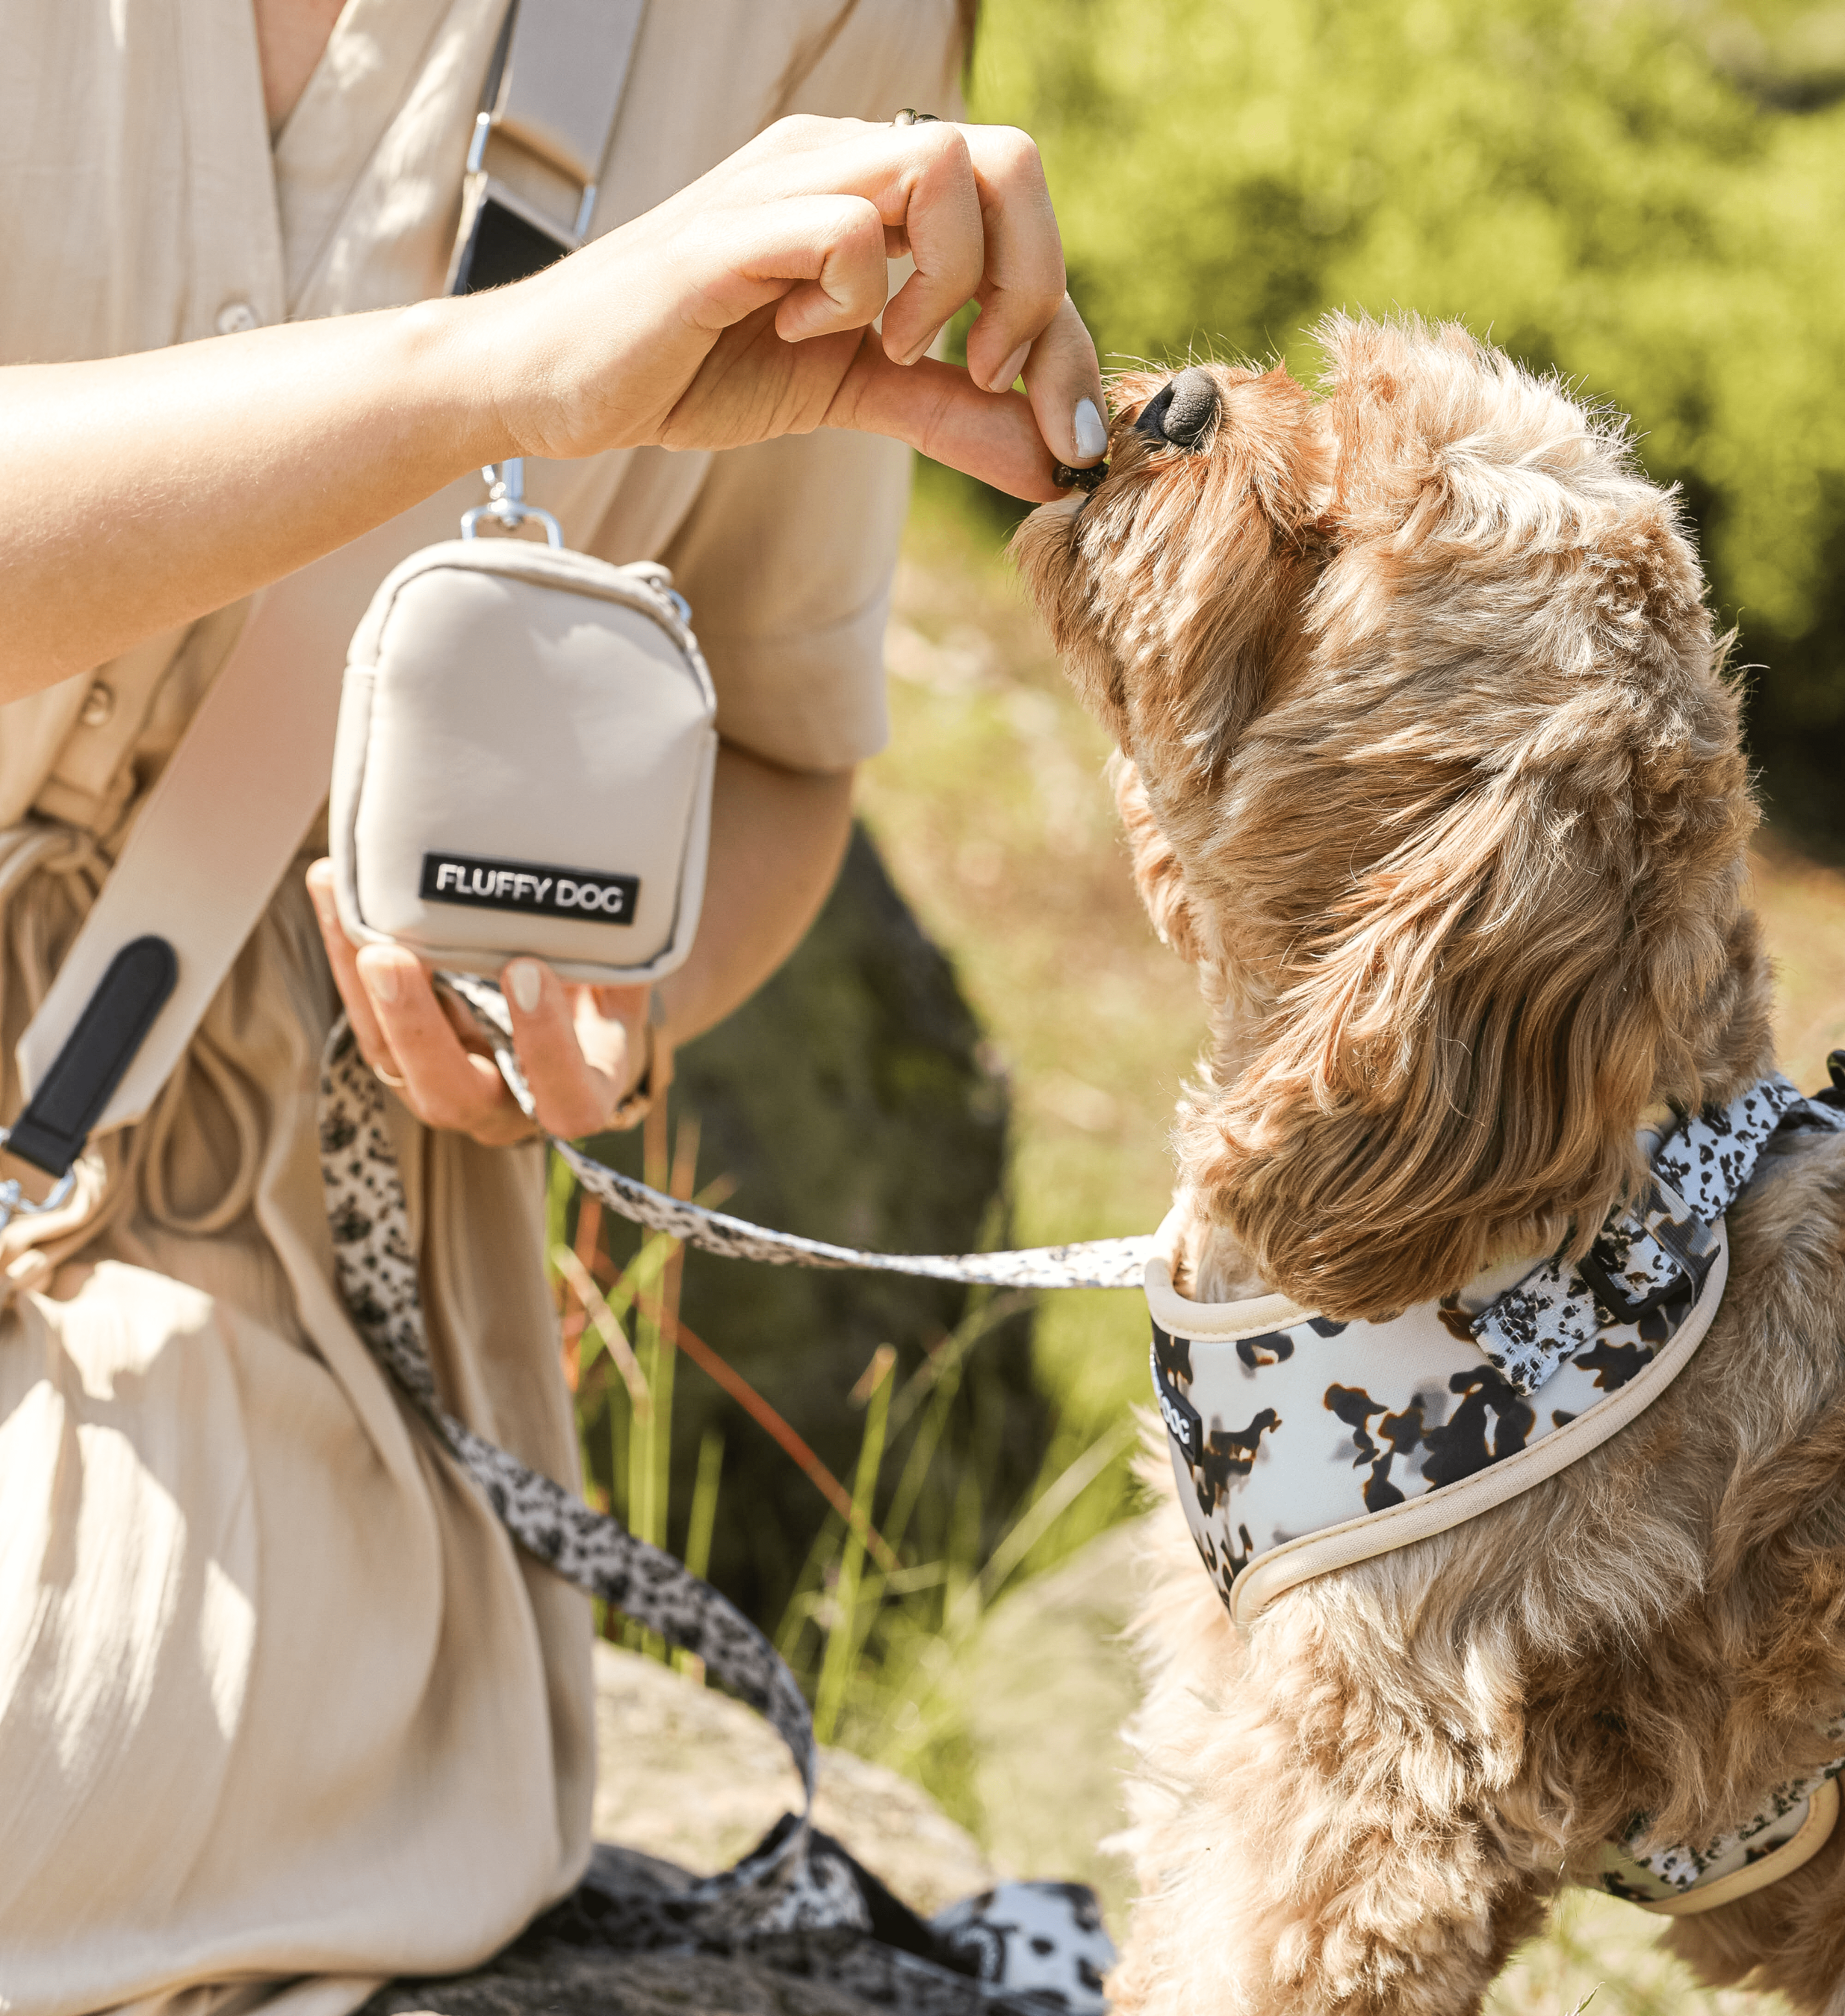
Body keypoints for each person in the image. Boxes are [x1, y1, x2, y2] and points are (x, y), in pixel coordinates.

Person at [0, 3, 1104, 2011]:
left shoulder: (800, 28)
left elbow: (776, 752)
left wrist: (615, 1005)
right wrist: (492, 371)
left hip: (240, 1315)